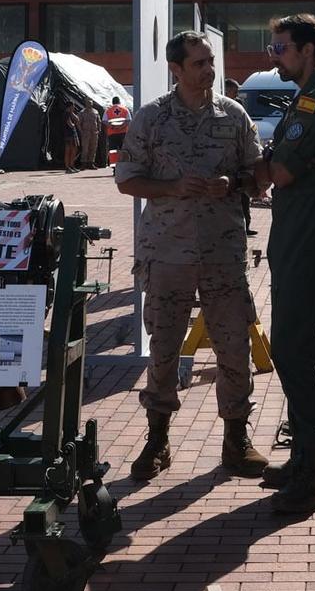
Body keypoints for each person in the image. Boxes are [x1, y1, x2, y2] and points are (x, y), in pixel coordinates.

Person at [113, 31, 269, 481]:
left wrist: (235, 184)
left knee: (233, 348)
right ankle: (157, 440)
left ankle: (236, 441)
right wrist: (172, 188)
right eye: (199, 63)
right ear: (176, 70)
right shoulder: (151, 119)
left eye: (210, 61)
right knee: (163, 351)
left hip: (222, 252)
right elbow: (127, 179)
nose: (209, 70)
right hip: (167, 254)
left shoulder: (234, 116)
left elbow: (257, 175)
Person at [249, 12, 315, 517]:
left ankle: (312, 471)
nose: (274, 57)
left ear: (308, 50)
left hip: (311, 233)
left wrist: (252, 168)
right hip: (302, 231)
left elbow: (283, 171)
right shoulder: (306, 94)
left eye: (281, 48)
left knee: (290, 345)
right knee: (310, 340)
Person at [104, 95, 130, 162]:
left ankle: (114, 167)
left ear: (112, 102)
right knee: (124, 150)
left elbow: (104, 121)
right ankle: (123, 165)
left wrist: (113, 127)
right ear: (119, 102)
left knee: (113, 151)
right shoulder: (125, 109)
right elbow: (128, 120)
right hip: (123, 133)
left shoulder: (108, 110)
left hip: (112, 134)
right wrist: (121, 127)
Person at [77, 99, 102, 169]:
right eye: (88, 103)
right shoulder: (82, 112)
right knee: (85, 148)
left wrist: (99, 130)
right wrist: (81, 131)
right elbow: (78, 123)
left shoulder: (95, 112)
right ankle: (84, 163)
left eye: (90, 103)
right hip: (86, 132)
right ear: (86, 104)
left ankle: (91, 163)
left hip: (94, 132)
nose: (89, 104)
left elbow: (99, 121)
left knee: (93, 148)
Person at [61, 100, 81, 172]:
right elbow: (70, 124)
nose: (74, 107)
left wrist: (72, 113)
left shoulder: (70, 113)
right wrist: (74, 124)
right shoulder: (66, 114)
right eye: (73, 106)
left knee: (74, 150)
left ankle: (72, 165)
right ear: (70, 106)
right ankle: (67, 167)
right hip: (68, 135)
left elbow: (77, 119)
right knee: (68, 151)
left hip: (72, 134)